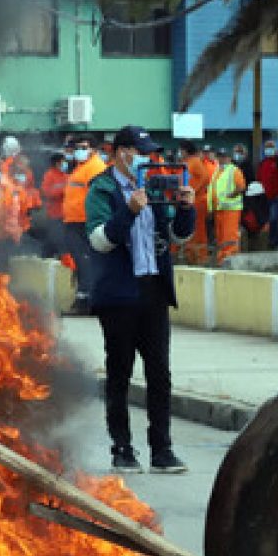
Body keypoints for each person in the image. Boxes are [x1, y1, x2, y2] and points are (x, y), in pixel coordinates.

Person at [85, 124, 195, 475]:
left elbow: (177, 235)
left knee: (160, 374)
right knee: (120, 373)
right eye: (139, 151)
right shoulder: (101, 188)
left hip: (153, 290)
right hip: (118, 293)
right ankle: (122, 449)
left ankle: (162, 449)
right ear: (121, 152)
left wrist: (186, 208)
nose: (147, 158)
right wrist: (129, 210)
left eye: (149, 152)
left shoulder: (156, 187)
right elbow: (101, 241)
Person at [62, 134, 106, 314]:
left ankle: (88, 301)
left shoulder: (95, 168)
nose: (79, 151)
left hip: (85, 222)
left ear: (94, 150)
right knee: (80, 262)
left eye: (84, 147)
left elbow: (95, 198)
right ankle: (83, 298)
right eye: (78, 147)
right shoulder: (81, 167)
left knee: (86, 261)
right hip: (73, 221)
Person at [207, 147, 246, 262]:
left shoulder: (234, 170)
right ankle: (221, 258)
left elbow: (241, 187)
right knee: (220, 236)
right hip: (219, 209)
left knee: (229, 235)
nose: (221, 159)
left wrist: (230, 196)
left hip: (230, 209)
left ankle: (230, 259)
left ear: (229, 158)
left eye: (224, 157)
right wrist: (211, 208)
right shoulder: (217, 171)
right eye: (220, 157)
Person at [257, 138, 278, 249]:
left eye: (271, 147)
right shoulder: (263, 163)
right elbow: (260, 179)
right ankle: (273, 241)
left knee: (274, 218)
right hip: (267, 197)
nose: (268, 150)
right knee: (271, 219)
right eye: (267, 148)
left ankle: (276, 241)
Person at [39, 151, 69, 259]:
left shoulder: (66, 176)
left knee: (61, 240)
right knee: (55, 239)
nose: (66, 164)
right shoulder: (49, 175)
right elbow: (46, 192)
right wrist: (62, 191)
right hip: (54, 215)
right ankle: (45, 258)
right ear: (57, 163)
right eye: (63, 161)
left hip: (65, 215)